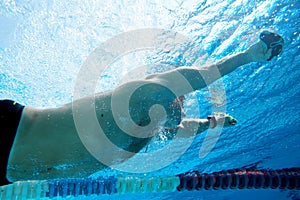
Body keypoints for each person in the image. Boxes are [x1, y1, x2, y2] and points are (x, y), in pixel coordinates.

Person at [0, 31, 284, 186]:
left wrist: (212, 122)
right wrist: (249, 56)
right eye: (181, 99)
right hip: (10, 127)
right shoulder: (142, 94)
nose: (183, 105)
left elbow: (180, 129)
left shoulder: (149, 133)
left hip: (8, 174)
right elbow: (202, 74)